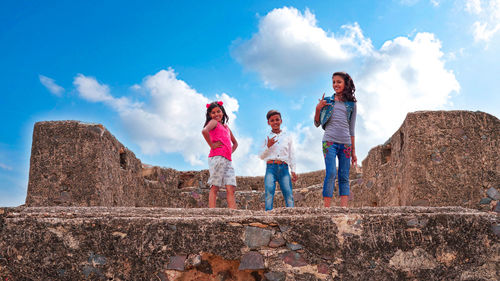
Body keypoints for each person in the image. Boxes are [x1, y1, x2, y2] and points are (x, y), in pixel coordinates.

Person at [314, 72, 357, 208]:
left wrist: (353, 152)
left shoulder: (352, 104)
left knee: (344, 176)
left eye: (338, 82)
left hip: (346, 144)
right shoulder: (327, 101)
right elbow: (316, 123)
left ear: (345, 83)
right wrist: (318, 109)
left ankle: (344, 208)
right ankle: (326, 208)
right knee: (331, 173)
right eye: (333, 82)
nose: (335, 85)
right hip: (329, 142)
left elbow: (352, 129)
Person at [202, 101, 238, 209]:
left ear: (222, 112)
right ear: (210, 115)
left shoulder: (226, 127)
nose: (216, 114)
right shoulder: (213, 122)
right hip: (217, 158)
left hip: (227, 160)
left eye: (218, 111)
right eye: (213, 112)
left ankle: (234, 213)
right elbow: (204, 131)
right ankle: (212, 211)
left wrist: (229, 151)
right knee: (215, 186)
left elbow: (235, 143)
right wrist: (212, 145)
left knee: (231, 187)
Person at [259, 110, 297, 211]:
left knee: (288, 193)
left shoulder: (288, 136)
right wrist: (268, 146)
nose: (275, 122)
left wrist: (293, 169)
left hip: (284, 167)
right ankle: (268, 216)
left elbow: (291, 154)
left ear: (281, 121)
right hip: (271, 167)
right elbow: (261, 156)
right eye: (272, 120)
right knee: (269, 192)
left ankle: (291, 215)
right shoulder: (266, 137)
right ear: (268, 122)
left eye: (277, 119)